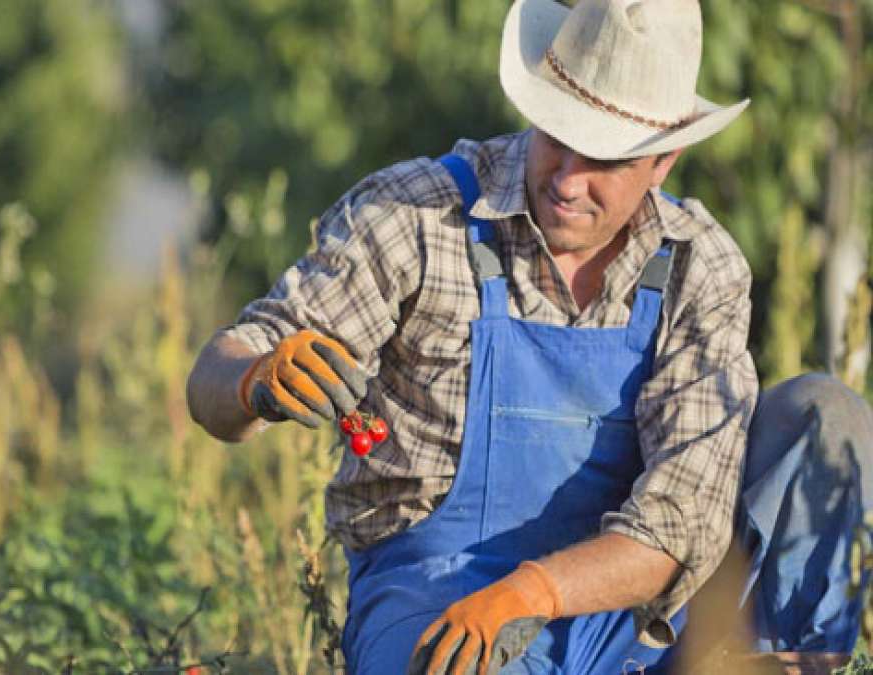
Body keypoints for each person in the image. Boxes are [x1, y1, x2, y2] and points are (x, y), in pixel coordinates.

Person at [185, 0, 873, 673]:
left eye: (603, 158)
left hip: (629, 615)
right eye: (558, 137)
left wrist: (536, 590)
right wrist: (253, 381)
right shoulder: (418, 216)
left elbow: (680, 523)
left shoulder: (700, 267)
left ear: (664, 159)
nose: (569, 180)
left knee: (826, 417)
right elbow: (215, 380)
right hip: (437, 594)